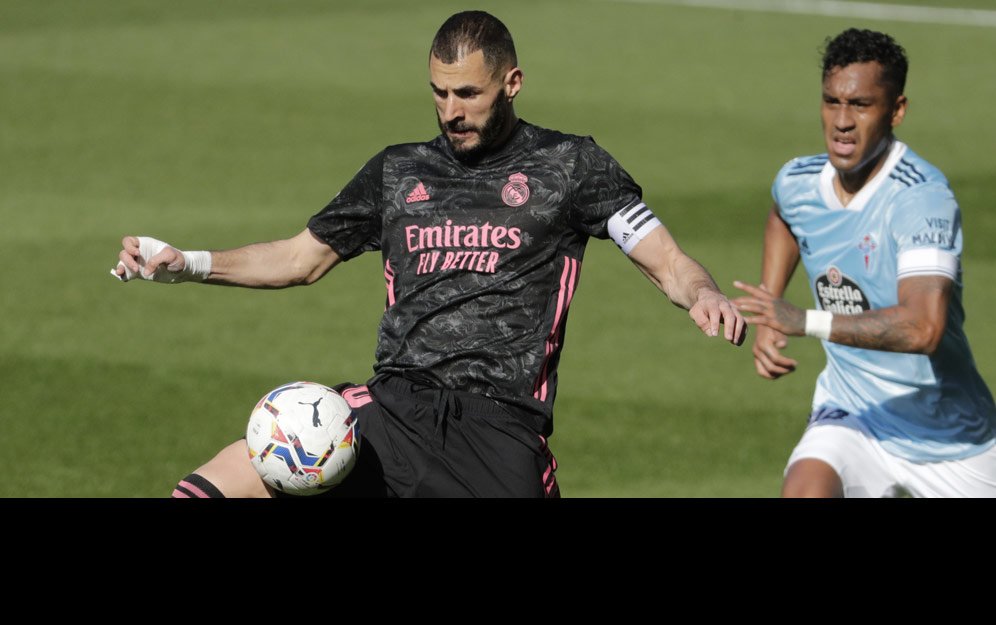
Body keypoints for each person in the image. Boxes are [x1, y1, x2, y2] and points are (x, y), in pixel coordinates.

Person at [114, 11, 746, 498]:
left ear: (512, 82)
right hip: (393, 411)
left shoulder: (571, 166)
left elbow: (666, 260)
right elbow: (299, 259)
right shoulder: (398, 170)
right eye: (439, 93)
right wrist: (190, 263)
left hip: (498, 428)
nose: (451, 112)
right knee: (214, 485)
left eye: (468, 93)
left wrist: (704, 292)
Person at [733, 28, 996, 498]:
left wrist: (802, 319)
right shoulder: (798, 181)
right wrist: (771, 306)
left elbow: (923, 328)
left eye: (860, 105)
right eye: (832, 101)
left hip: (950, 437)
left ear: (896, 110)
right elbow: (783, 215)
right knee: (804, 491)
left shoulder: (921, 198)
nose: (842, 121)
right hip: (854, 413)